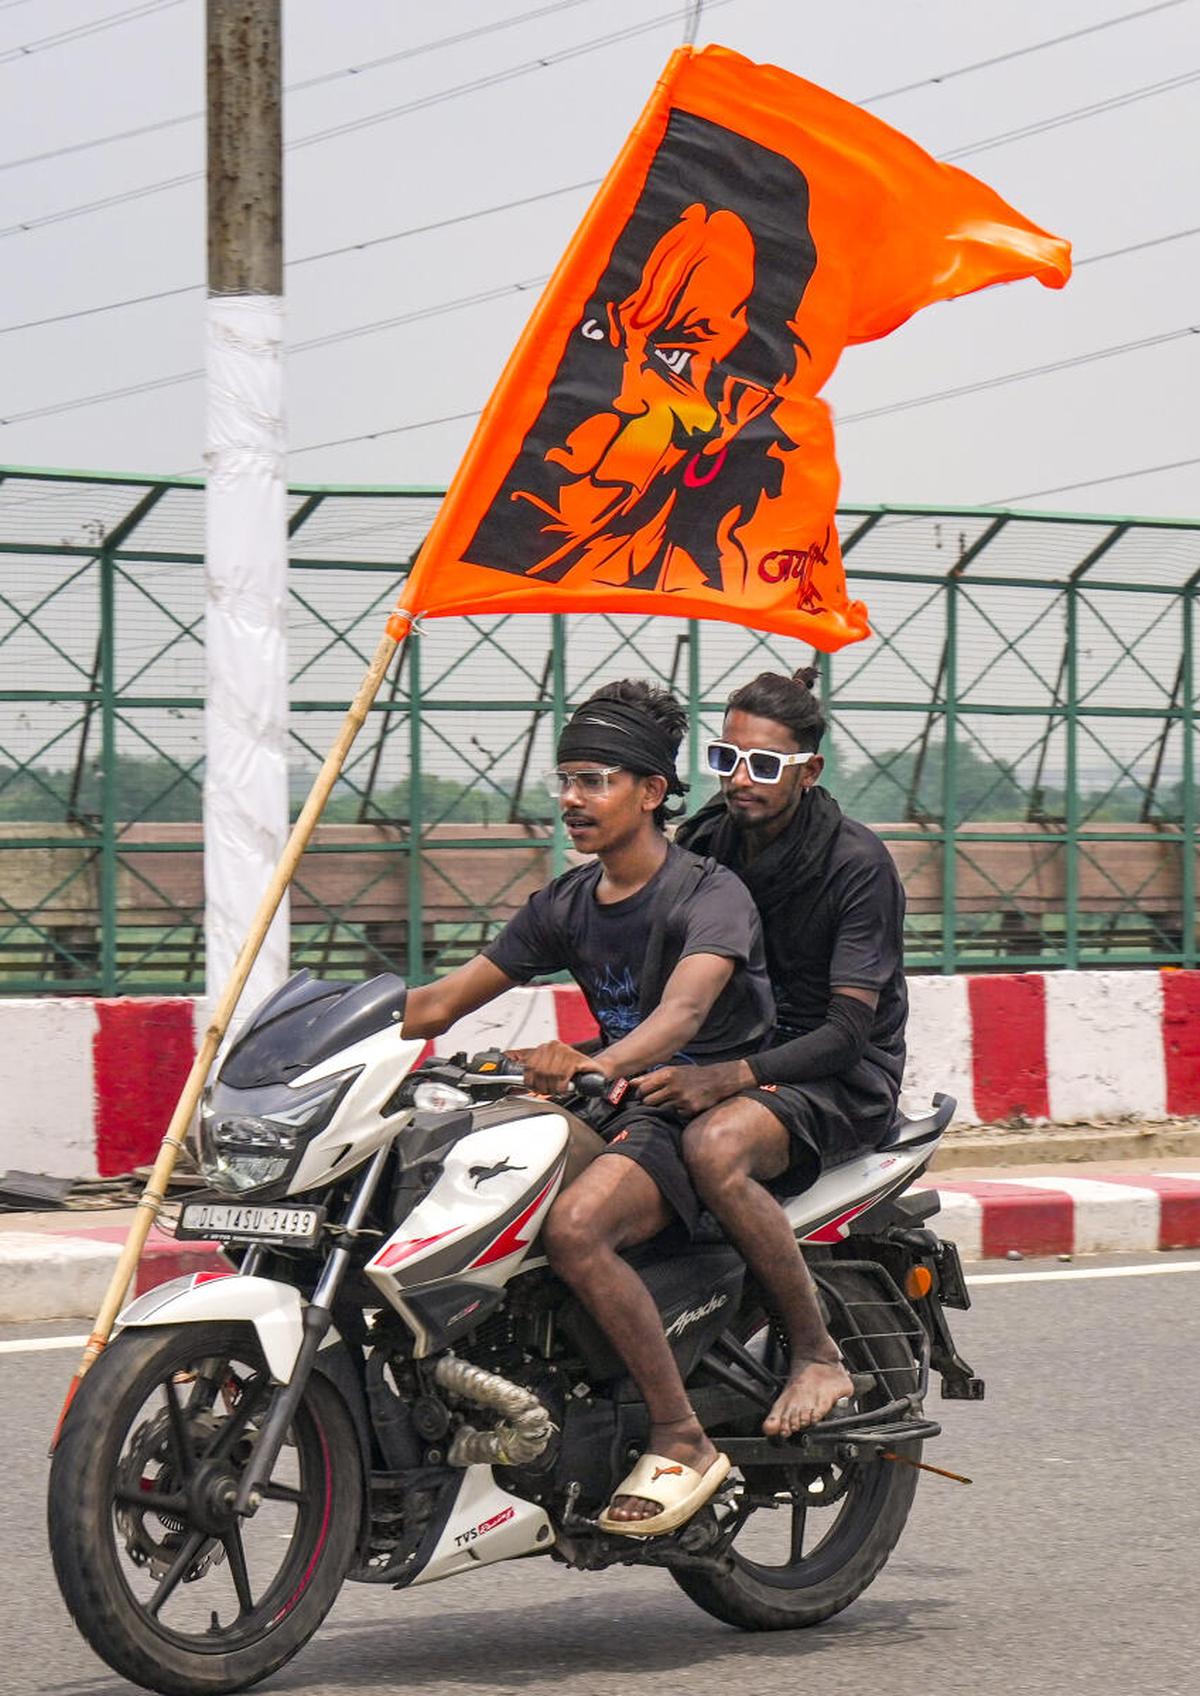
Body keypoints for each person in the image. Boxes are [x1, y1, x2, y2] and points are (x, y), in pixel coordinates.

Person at [400, 678, 775, 1536]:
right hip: (616, 1103)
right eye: (566, 779)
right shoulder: (567, 904)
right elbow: (439, 1002)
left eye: (596, 779)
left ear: (651, 792)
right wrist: (304, 1030)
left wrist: (592, 1063)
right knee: (456, 1172)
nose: (571, 799)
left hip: (698, 1106)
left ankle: (682, 1435)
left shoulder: (708, 894)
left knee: (574, 1227)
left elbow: (681, 1017)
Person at [638, 665, 908, 1439]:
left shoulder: (857, 865)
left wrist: (731, 1076)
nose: (741, 780)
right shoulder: (706, 843)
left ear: (809, 771)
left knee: (714, 1146)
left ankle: (819, 1352)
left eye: (763, 765)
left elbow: (848, 1031)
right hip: (733, 1055)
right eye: (727, 761)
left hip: (837, 1078)